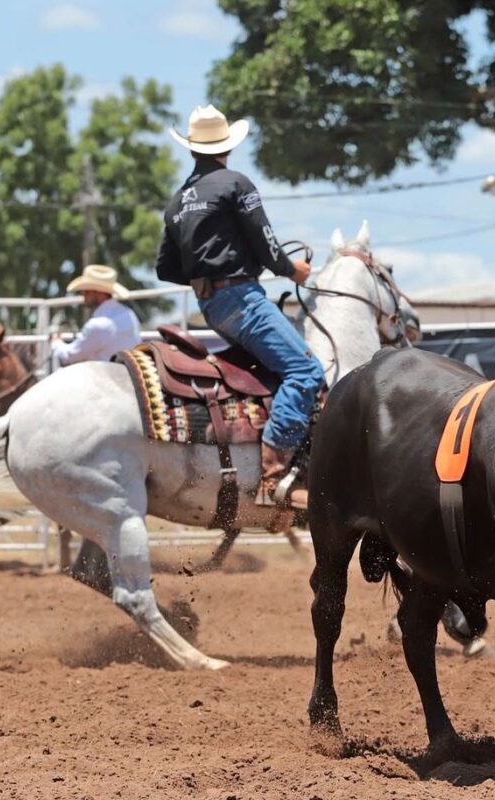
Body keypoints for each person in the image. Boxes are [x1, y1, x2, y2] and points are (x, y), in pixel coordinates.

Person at [155, 104, 324, 510]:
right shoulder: (236, 184)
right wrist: (291, 270)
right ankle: (275, 472)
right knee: (305, 370)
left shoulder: (178, 203)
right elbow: (265, 242)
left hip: (210, 306)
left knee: (271, 370)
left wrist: (204, 276)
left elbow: (164, 268)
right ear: (226, 147)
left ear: (193, 150)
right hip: (242, 299)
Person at [52, 265, 142, 367]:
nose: (83, 296)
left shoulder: (97, 324)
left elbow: (70, 356)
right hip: (128, 376)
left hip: (102, 378)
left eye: (86, 291)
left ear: (99, 293)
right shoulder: (129, 313)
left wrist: (56, 343)